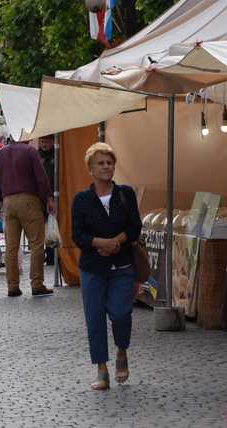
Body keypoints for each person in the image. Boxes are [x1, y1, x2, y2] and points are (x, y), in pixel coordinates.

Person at [71, 143, 142, 390]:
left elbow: (135, 227)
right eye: (100, 163)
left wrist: (116, 242)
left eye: (109, 162)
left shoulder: (125, 194)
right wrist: (99, 243)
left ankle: (122, 350)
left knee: (121, 313)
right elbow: (77, 235)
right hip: (93, 267)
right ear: (90, 168)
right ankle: (101, 369)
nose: (106, 167)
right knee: (95, 318)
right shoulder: (81, 200)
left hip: (122, 264)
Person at [0, 139, 55, 297]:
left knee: (11, 247)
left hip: (8, 202)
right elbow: (41, 177)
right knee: (36, 244)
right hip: (29, 200)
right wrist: (47, 197)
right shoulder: (30, 151)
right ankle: (37, 284)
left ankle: (12, 286)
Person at [38, 135, 56, 266]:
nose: (44, 144)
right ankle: (46, 254)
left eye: (46, 142)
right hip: (39, 196)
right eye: (42, 141)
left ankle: (52, 255)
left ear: (52, 142)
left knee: (53, 224)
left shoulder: (56, 155)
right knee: (41, 226)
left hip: (54, 195)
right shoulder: (36, 156)